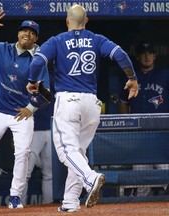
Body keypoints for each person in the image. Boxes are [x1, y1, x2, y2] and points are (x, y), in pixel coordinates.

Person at [26, 4, 139, 212]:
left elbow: (37, 62)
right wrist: (132, 79)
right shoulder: (96, 39)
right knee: (78, 153)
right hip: (91, 103)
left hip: (68, 101)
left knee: (66, 151)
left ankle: (90, 177)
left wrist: (33, 81)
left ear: (67, 21)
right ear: (86, 21)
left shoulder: (57, 40)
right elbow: (121, 55)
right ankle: (70, 201)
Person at [0, 10, 50, 209]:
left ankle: (15, 196)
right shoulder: (2, 49)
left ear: (36, 38)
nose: (27, 34)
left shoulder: (39, 59)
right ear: (18, 33)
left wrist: (30, 108)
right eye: (24, 30)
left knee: (23, 153)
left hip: (21, 114)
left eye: (32, 32)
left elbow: (47, 93)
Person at [119, 41, 169, 196]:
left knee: (167, 175)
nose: (147, 56)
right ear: (138, 56)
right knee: (141, 184)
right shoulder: (131, 77)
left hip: (162, 135)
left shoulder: (165, 74)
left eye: (150, 53)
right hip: (139, 136)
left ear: (154, 56)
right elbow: (123, 103)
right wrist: (126, 128)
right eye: (143, 53)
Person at [21, 80, 55, 206]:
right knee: (25, 172)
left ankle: (49, 205)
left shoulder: (52, 77)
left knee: (50, 173)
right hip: (32, 129)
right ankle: (19, 204)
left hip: (51, 128)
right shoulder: (27, 78)